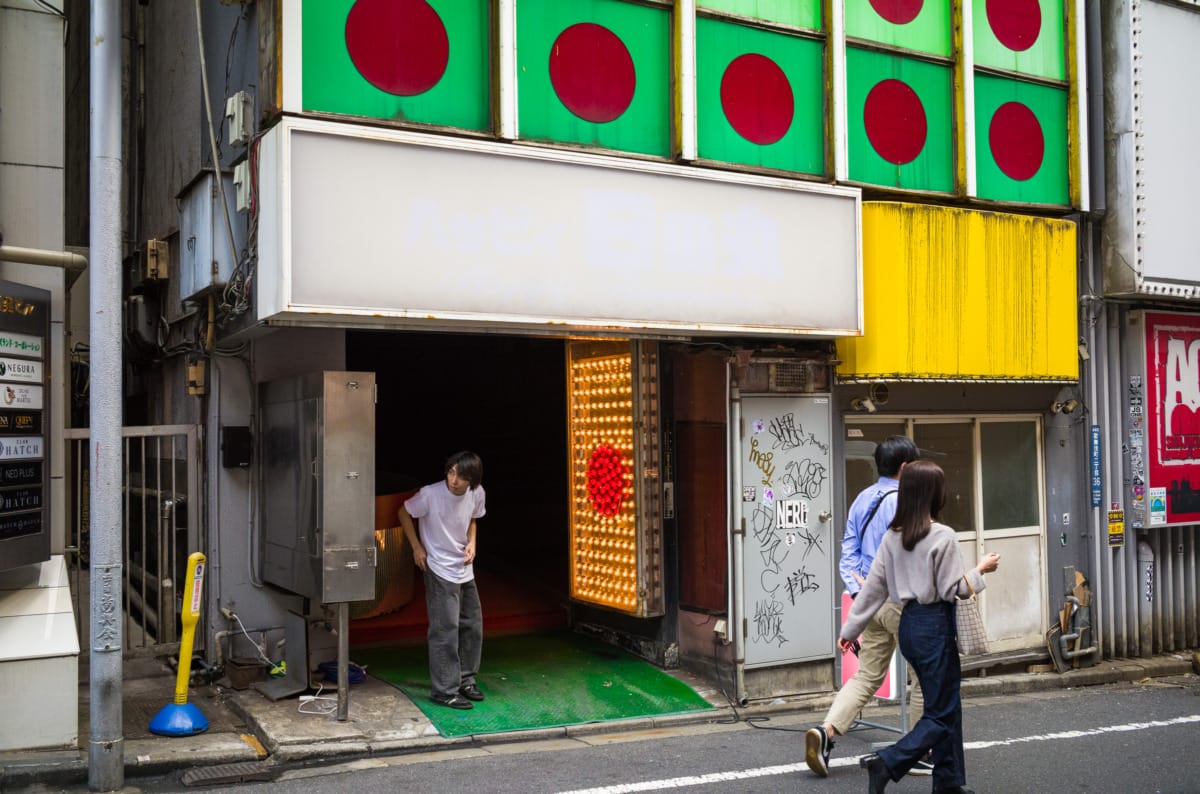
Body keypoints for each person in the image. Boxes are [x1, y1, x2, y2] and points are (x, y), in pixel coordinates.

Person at [839, 460, 1001, 794]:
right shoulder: (943, 536)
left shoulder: (892, 537)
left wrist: (850, 629)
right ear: (934, 494)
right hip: (934, 626)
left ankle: (948, 782)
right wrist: (981, 570)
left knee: (947, 705)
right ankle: (887, 762)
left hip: (910, 624)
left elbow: (873, 589)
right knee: (941, 712)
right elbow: (952, 589)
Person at [806, 435, 925, 777]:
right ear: (905, 468)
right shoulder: (905, 501)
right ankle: (919, 751)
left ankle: (826, 733)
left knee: (867, 675)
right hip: (900, 602)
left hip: (868, 601)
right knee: (922, 679)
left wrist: (859, 592)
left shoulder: (862, 498)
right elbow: (911, 555)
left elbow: (848, 552)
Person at [398, 451, 487, 710]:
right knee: (444, 629)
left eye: (460, 475)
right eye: (451, 472)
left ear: (473, 479)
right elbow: (403, 512)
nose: (453, 479)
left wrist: (472, 542)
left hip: (464, 566)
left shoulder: (477, 493)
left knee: (473, 624)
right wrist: (416, 547)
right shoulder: (430, 494)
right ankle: (444, 690)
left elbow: (473, 518)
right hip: (438, 567)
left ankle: (466, 680)